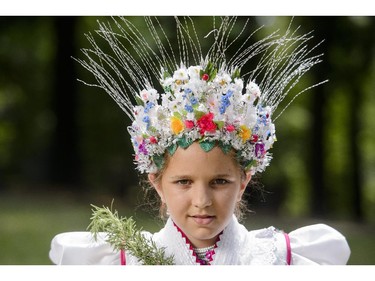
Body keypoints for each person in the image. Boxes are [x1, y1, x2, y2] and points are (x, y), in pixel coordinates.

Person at [49, 16, 350, 265]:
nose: (202, 201)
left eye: (219, 181)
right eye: (183, 182)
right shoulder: (124, 262)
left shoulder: (281, 258)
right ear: (157, 182)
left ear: (244, 180)